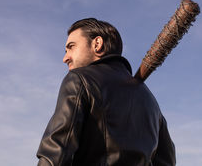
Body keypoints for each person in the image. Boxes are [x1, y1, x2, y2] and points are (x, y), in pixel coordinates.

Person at [36, 18, 176, 166]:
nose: (65, 58)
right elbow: (167, 162)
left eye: (71, 47)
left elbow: (55, 156)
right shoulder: (151, 102)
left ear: (97, 44)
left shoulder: (79, 79)